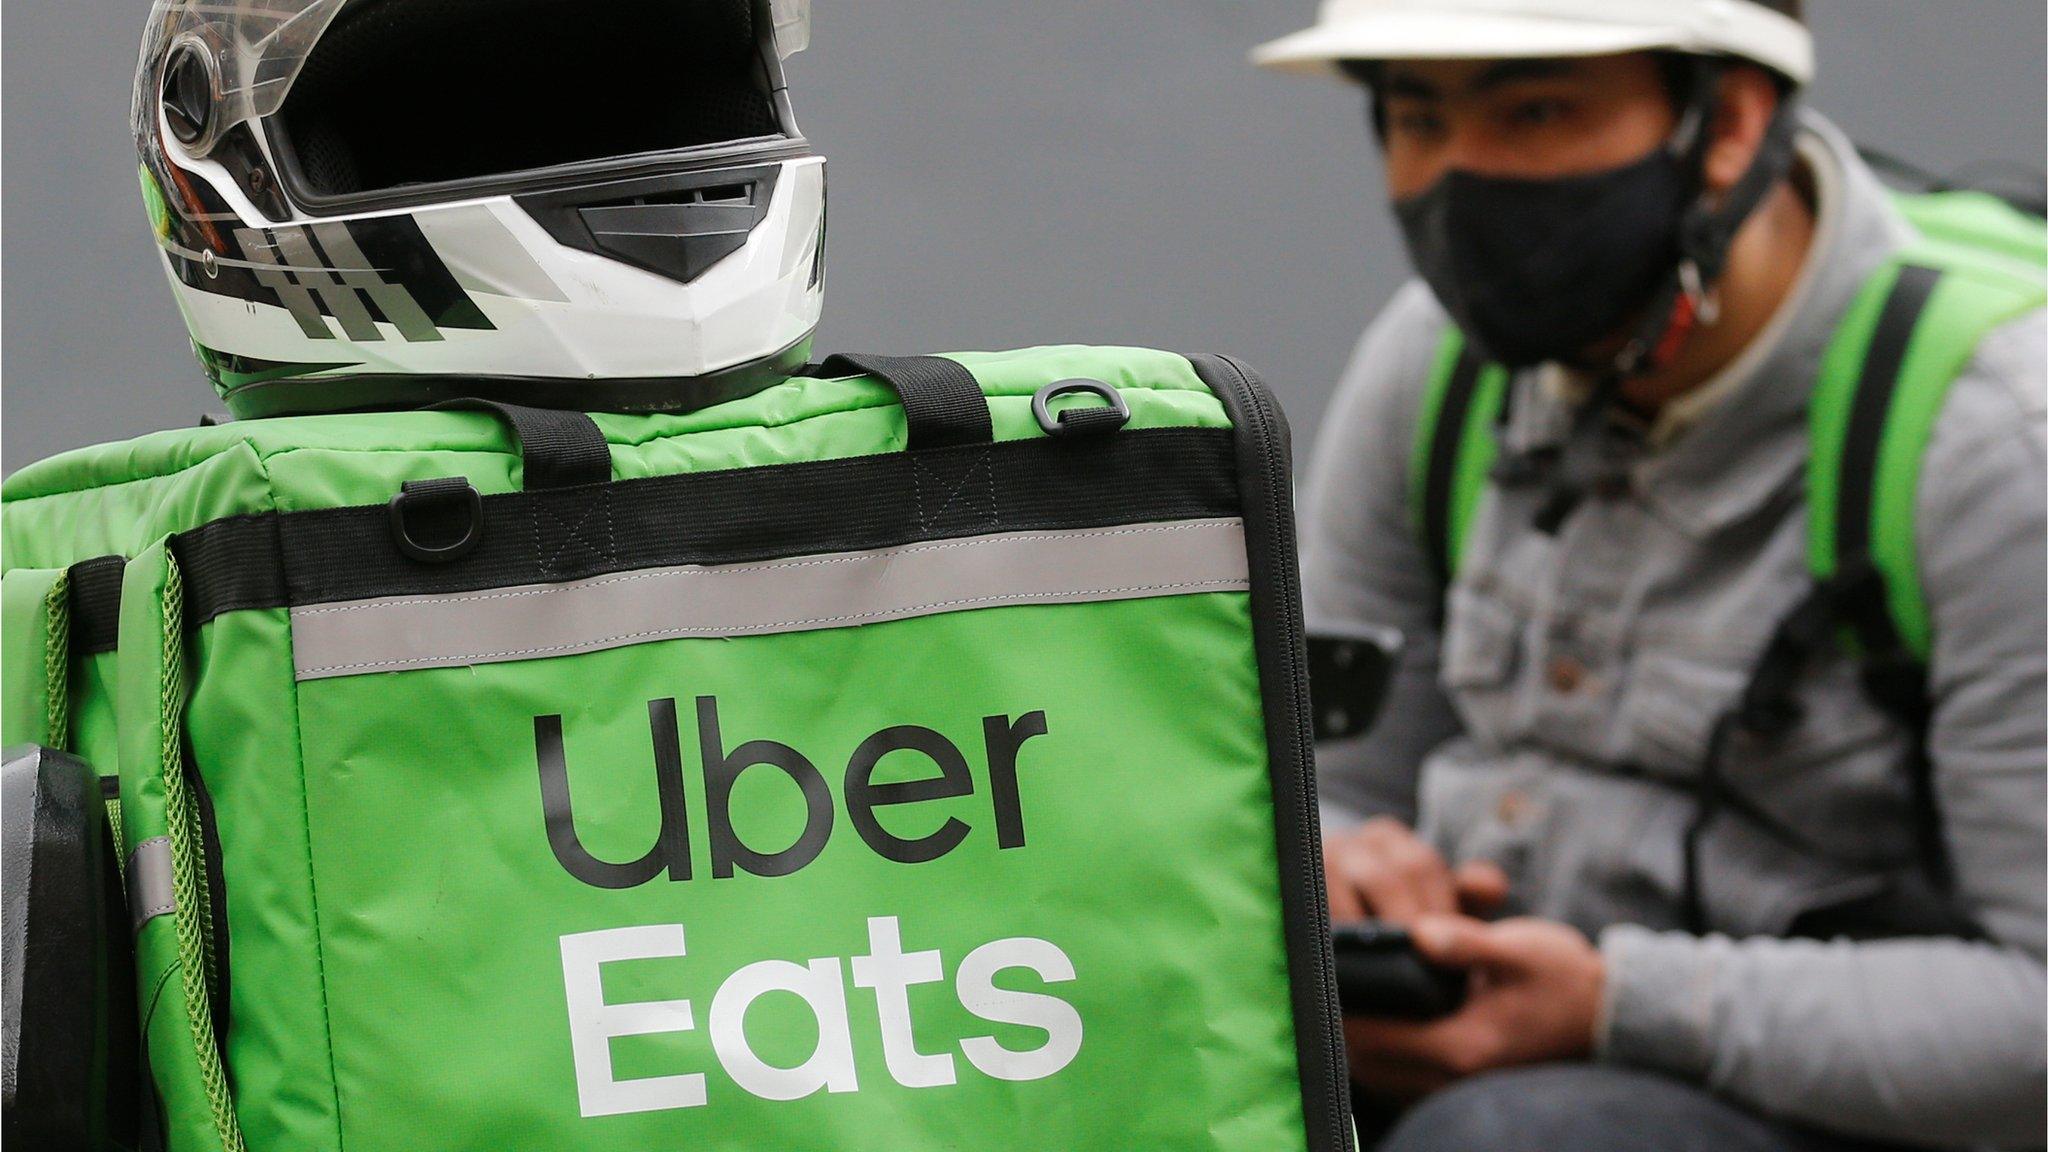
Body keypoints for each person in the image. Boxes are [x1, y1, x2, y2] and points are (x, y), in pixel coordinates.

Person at [1252, 2, 2047, 1149]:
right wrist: (1346, 875)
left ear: (1724, 118)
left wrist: (1616, 1008)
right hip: (1480, 1045)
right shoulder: (1434, 365)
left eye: (1532, 109)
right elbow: (1335, 777)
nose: (1460, 177)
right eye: (1415, 114)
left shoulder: (1991, 452)